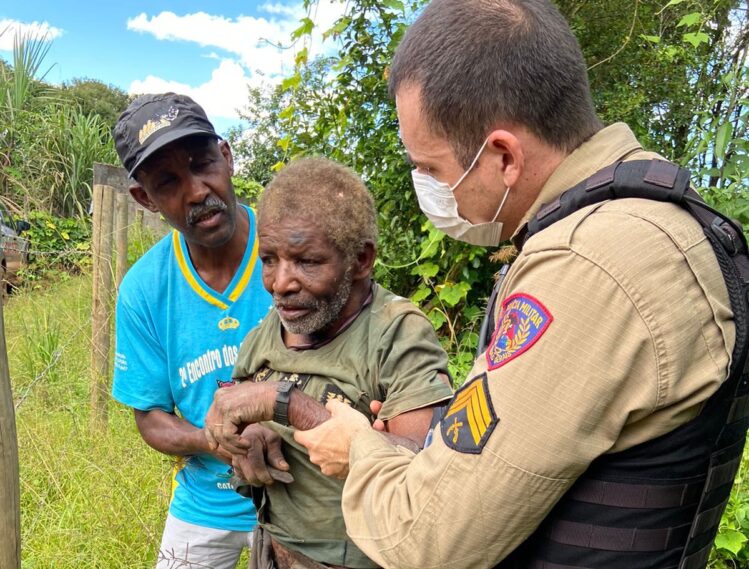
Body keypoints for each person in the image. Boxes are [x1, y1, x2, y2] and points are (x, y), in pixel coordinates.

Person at [205, 1, 749, 568]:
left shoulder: (588, 267)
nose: (430, 189)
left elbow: (430, 539)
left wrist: (359, 446)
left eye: (433, 170)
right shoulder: (654, 221)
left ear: (503, 156)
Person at [207, 157, 454, 569]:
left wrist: (284, 403)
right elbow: (235, 415)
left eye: (307, 261)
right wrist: (247, 441)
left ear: (360, 260)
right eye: (269, 259)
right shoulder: (267, 332)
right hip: (272, 548)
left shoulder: (396, 333)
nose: (281, 284)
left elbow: (422, 474)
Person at [111, 93, 271, 569]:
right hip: (205, 502)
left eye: (203, 164)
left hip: (303, 494)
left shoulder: (292, 250)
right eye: (168, 182)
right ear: (144, 199)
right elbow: (151, 418)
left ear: (226, 156)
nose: (198, 191)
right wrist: (214, 441)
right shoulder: (144, 289)